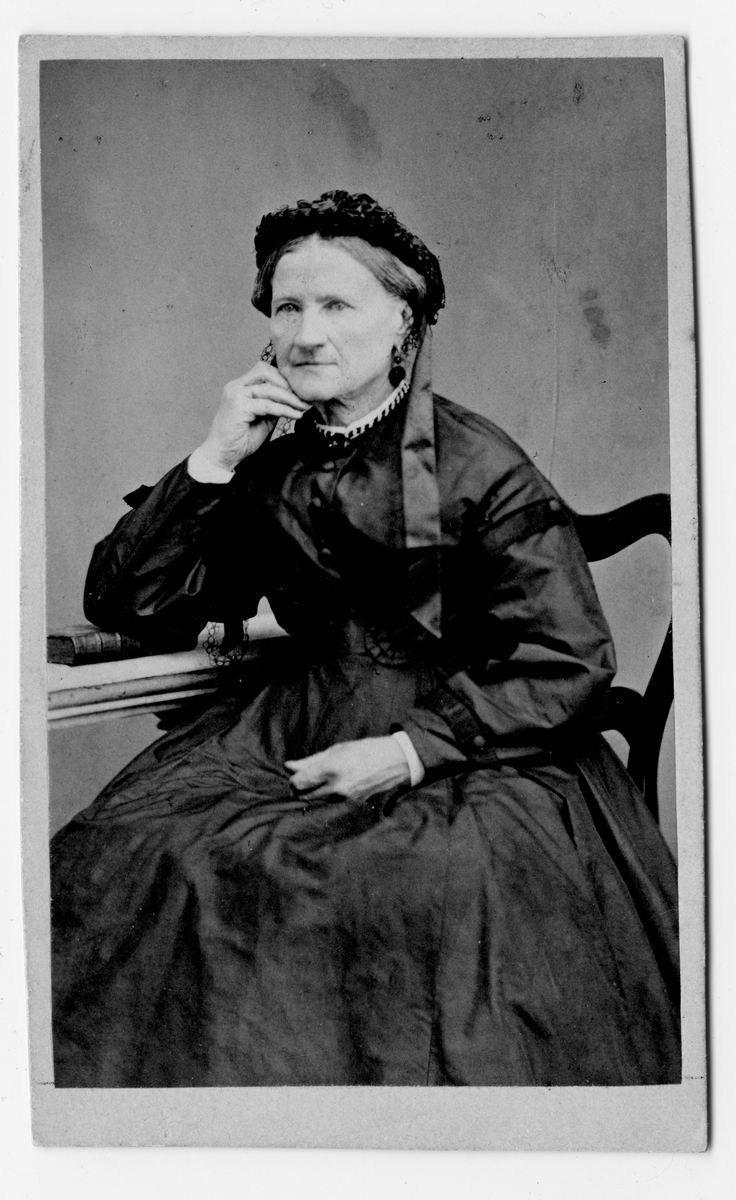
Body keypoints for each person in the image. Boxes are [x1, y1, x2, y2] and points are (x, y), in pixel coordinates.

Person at [51, 190, 681, 1088]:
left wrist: (407, 752)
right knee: (128, 850)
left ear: (402, 327)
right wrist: (213, 459)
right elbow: (132, 604)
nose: (306, 334)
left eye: (337, 305)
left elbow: (569, 658)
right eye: (287, 308)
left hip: (483, 750)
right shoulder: (270, 459)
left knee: (385, 887)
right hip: (294, 718)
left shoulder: (478, 462)